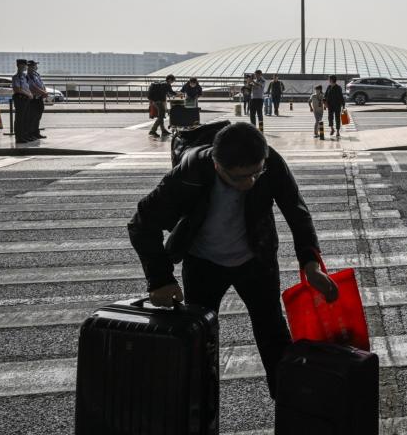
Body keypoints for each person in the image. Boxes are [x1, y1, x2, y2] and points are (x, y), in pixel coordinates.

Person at [128, 122, 338, 399]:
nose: (250, 182)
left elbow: (296, 211)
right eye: (239, 178)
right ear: (217, 165)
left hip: (256, 260)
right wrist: (160, 280)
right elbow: (142, 223)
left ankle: (291, 405)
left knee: (273, 334)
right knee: (199, 340)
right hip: (203, 263)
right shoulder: (192, 170)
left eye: (256, 173)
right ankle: (198, 408)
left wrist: (310, 264)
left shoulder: (269, 161)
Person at [10, 59, 34, 143]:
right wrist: (28, 94)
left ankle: (24, 135)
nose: (26, 67)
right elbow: (17, 89)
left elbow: (26, 87)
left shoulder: (24, 76)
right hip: (20, 99)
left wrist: (30, 94)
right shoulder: (16, 77)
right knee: (20, 119)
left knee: (25, 119)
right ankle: (19, 137)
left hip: (26, 99)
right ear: (19, 65)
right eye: (24, 65)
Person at [26, 60, 48, 140]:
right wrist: (43, 92)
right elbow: (32, 87)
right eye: (35, 65)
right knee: (32, 117)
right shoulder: (28, 76)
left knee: (38, 117)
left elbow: (41, 84)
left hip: (39, 98)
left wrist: (44, 92)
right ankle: (31, 134)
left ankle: (36, 133)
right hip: (33, 99)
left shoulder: (36, 74)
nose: (36, 66)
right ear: (30, 66)